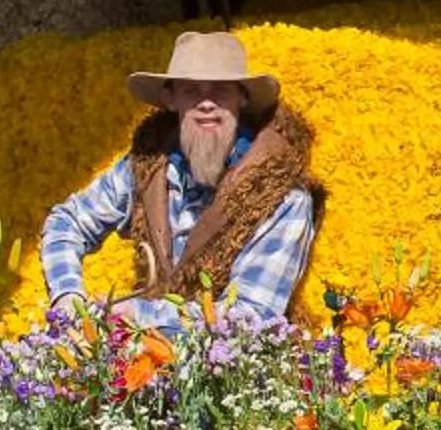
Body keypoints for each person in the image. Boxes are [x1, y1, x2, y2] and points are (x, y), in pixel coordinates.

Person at [40, 29, 322, 327]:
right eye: (191, 90)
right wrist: (67, 296)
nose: (206, 103)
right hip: (143, 350)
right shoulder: (146, 167)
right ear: (171, 98)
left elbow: (250, 319)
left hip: (236, 357)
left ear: (242, 98)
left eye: (220, 90)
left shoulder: (283, 196)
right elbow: (67, 221)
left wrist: (139, 315)